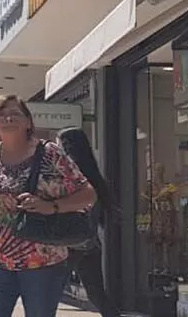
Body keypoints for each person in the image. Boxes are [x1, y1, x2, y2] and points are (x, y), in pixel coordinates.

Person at [0, 95, 96, 317]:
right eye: (0, 114)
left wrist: (51, 206)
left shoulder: (50, 154)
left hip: (42, 261)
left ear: (28, 122)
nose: (8, 118)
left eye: (15, 113)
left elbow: (89, 194)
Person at [58, 127, 118, 317]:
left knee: (48, 293)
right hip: (88, 243)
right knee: (97, 293)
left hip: (67, 243)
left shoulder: (69, 173)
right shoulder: (92, 173)